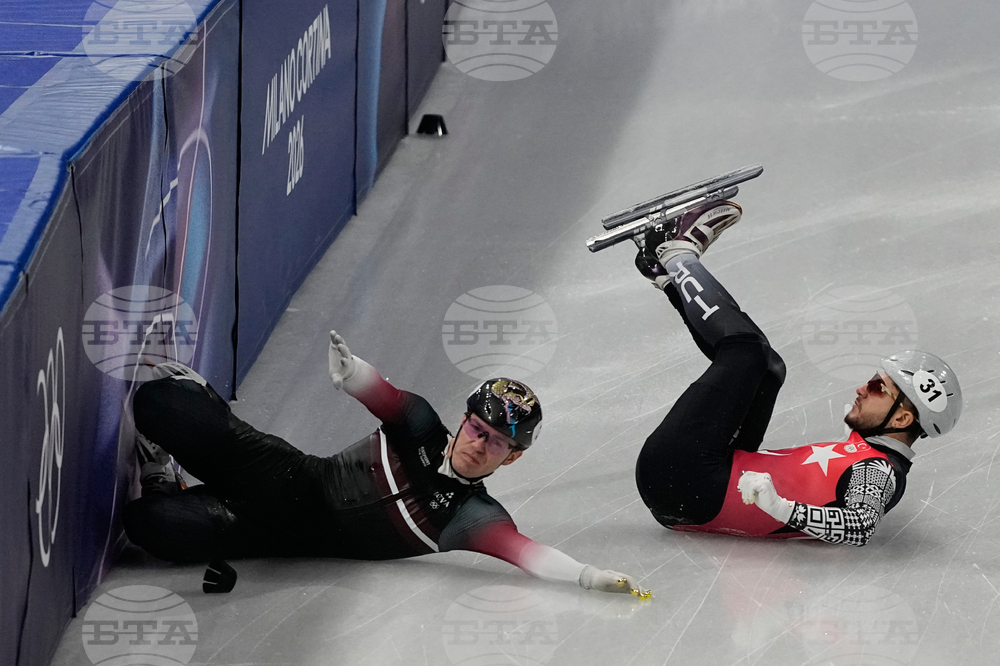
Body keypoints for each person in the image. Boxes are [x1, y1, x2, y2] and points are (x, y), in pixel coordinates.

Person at [123, 338, 649, 597]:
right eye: (477, 430)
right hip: (284, 475)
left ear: (512, 457)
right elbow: (383, 395)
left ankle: (164, 478)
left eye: (495, 444)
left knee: (150, 525)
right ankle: (202, 398)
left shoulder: (471, 517)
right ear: (464, 420)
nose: (478, 445)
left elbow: (527, 554)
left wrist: (587, 575)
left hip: (272, 535)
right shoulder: (419, 425)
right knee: (160, 405)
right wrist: (352, 374)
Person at [628, 200, 962, 545]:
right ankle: (668, 276)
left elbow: (859, 525)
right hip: (694, 492)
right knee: (769, 369)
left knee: (748, 354)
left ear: (903, 419)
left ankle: (678, 253)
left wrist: (780, 507)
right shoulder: (868, 455)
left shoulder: (878, 469)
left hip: (683, 478)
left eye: (879, 387)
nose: (863, 387)